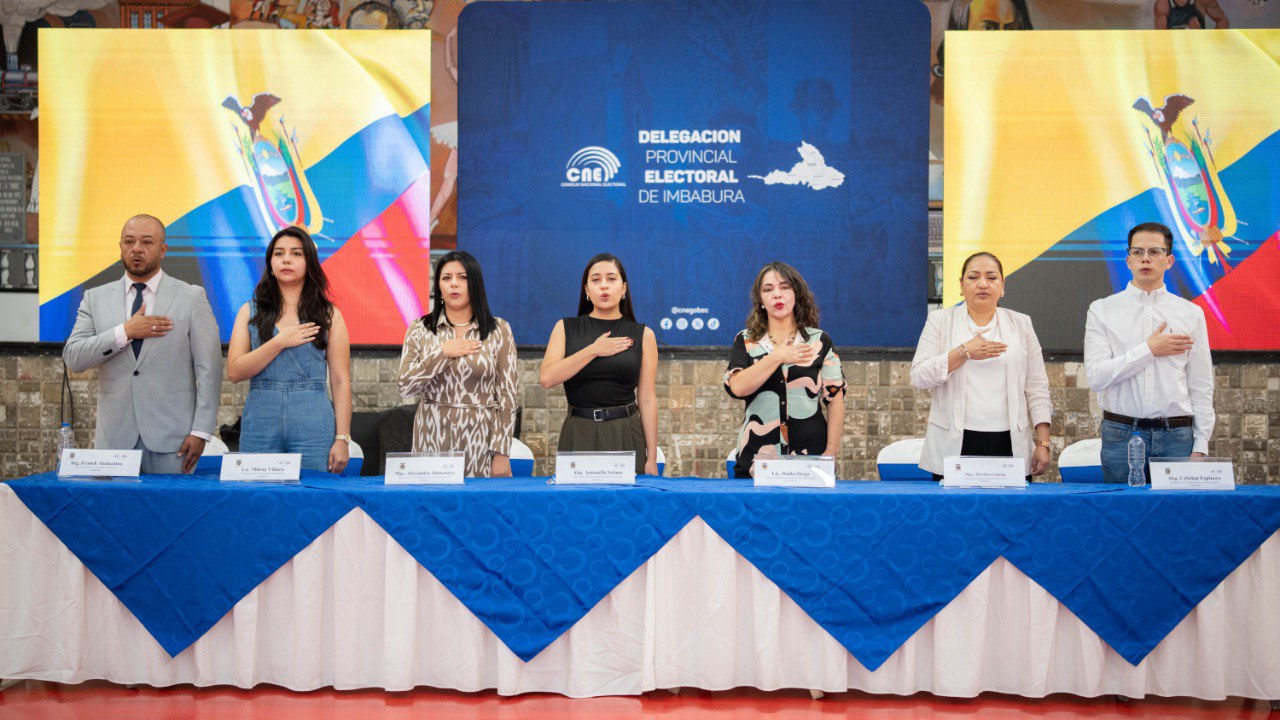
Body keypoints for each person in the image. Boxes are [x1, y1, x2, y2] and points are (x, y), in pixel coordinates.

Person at [63, 214, 223, 474]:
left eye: (146, 242)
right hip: (114, 441)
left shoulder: (191, 297)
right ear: (120, 247)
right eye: (129, 242)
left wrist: (201, 431)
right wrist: (124, 332)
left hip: (174, 441)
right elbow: (73, 357)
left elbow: (209, 370)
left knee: (171, 502)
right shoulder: (95, 298)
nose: (136, 248)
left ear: (163, 250)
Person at [1084, 222, 1214, 483]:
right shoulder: (1102, 310)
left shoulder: (1190, 313)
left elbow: (1201, 385)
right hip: (1121, 433)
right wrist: (1149, 350)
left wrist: (1200, 445)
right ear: (1128, 260)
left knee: (1176, 509)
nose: (1145, 258)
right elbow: (1096, 377)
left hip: (1177, 436)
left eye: (1155, 251)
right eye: (1137, 252)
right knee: (1122, 507)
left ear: (1169, 260)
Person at [910, 252, 1052, 480]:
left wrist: (1043, 442)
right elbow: (919, 376)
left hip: (1010, 442)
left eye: (992, 278)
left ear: (1002, 285)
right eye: (973, 277)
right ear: (961, 285)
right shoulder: (940, 321)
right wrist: (963, 352)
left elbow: (1037, 387)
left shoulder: (1021, 323)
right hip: (954, 442)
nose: (983, 284)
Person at [227, 226, 352, 473]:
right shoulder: (249, 311)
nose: (286, 259)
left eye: (296, 253)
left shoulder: (329, 314)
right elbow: (234, 372)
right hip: (261, 419)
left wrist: (343, 438)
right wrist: (279, 342)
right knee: (257, 492)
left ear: (309, 262)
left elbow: (340, 381)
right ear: (270, 264)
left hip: (313, 420)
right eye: (279, 253)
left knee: (313, 491)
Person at [397, 250, 519, 477]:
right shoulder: (419, 328)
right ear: (439, 287)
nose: (454, 284)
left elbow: (508, 395)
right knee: (431, 498)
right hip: (431, 436)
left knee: (477, 500)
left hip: (481, 441)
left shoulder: (499, 330)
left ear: (475, 284)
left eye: (462, 277)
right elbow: (405, 386)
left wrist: (502, 452)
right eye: (446, 278)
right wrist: (443, 353)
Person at [539, 253, 658, 475]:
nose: (604, 285)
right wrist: (594, 350)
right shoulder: (565, 328)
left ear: (623, 288)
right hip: (579, 430)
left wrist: (652, 457)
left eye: (611, 279)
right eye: (596, 280)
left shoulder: (644, 335)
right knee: (579, 498)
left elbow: (647, 398)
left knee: (628, 498)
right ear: (586, 289)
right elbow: (546, 379)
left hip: (626, 431)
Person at [724, 262, 845, 478]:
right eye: (768, 289)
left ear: (796, 294)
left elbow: (835, 398)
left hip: (811, 458)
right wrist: (778, 356)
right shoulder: (746, 340)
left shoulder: (819, 341)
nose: (777, 295)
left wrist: (832, 450)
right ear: (760, 301)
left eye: (785, 287)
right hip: (757, 460)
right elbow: (738, 388)